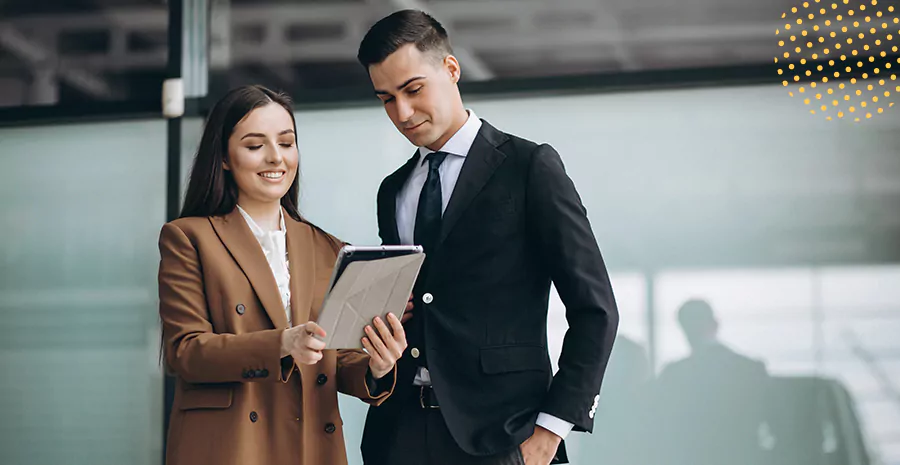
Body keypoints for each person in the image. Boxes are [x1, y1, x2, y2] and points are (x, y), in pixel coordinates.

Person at [356, 10, 619, 465]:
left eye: (413, 89)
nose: (402, 112)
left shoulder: (529, 167)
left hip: (505, 438)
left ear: (451, 70)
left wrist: (550, 431)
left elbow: (595, 310)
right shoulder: (392, 190)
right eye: (386, 98)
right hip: (398, 435)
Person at [158, 85, 407, 465]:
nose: (276, 157)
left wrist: (378, 364)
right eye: (255, 145)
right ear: (224, 157)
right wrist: (283, 343)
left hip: (311, 444)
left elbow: (336, 357)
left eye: (286, 143)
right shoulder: (189, 238)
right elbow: (186, 352)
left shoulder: (329, 247)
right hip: (231, 446)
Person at [652, 299, 769, 465]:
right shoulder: (750, 369)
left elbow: (663, 425)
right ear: (715, 324)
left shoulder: (674, 374)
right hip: (742, 456)